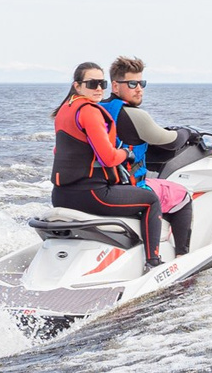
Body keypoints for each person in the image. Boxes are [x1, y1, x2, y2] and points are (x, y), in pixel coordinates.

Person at [51, 61, 168, 268]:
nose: (98, 89)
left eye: (101, 83)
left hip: (60, 195)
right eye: (92, 84)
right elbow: (108, 158)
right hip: (91, 194)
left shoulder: (64, 110)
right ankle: (153, 261)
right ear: (77, 86)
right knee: (151, 200)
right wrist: (127, 153)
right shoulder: (89, 111)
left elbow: (59, 152)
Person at [103, 56, 196, 257]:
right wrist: (187, 132)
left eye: (142, 83)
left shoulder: (98, 109)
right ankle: (182, 257)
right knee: (182, 196)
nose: (139, 89)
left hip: (104, 185)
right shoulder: (134, 115)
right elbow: (172, 141)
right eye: (132, 84)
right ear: (115, 86)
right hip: (130, 188)